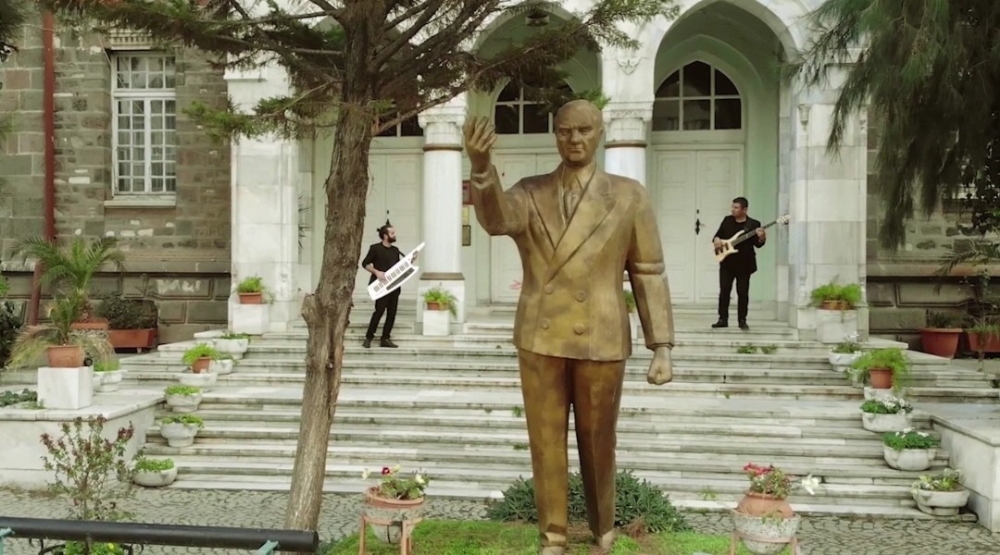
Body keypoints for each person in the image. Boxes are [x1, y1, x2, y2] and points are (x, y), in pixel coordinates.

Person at [463, 100, 676, 555]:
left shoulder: (629, 195)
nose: (574, 139)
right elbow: (496, 219)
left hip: (601, 335)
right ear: (555, 135)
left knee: (598, 441)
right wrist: (481, 169)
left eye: (583, 131)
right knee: (545, 442)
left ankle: (603, 528)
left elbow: (648, 271)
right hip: (540, 336)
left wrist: (661, 345)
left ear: (599, 133)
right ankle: (553, 535)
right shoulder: (530, 191)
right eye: (564, 131)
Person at [711, 197, 766, 331]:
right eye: (733, 207)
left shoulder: (754, 224)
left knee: (742, 292)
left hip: (744, 264)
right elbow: (717, 236)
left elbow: (758, 244)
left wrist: (762, 237)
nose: (733, 210)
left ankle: (742, 320)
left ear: (744, 210)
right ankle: (722, 319)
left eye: (736, 208)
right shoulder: (727, 220)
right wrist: (717, 239)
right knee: (724, 290)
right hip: (727, 262)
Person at [360, 223, 405, 348]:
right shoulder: (375, 248)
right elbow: (365, 263)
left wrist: (410, 261)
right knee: (379, 311)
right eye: (392, 233)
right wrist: (377, 272)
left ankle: (385, 338)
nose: (394, 235)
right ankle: (369, 337)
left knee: (392, 313)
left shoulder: (395, 250)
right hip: (380, 286)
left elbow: (399, 267)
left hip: (394, 286)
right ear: (385, 236)